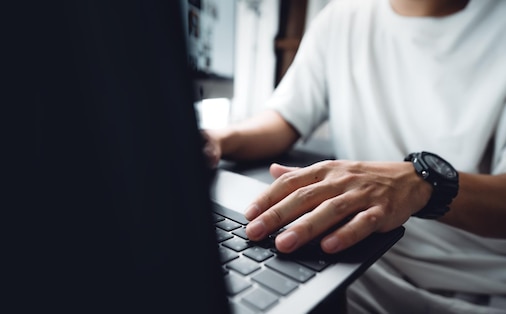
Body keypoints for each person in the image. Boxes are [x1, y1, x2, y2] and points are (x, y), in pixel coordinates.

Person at [202, 0, 506, 312]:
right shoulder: (341, 16)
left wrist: (420, 184)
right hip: (354, 263)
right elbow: (285, 118)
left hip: (472, 288)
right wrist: (217, 139)